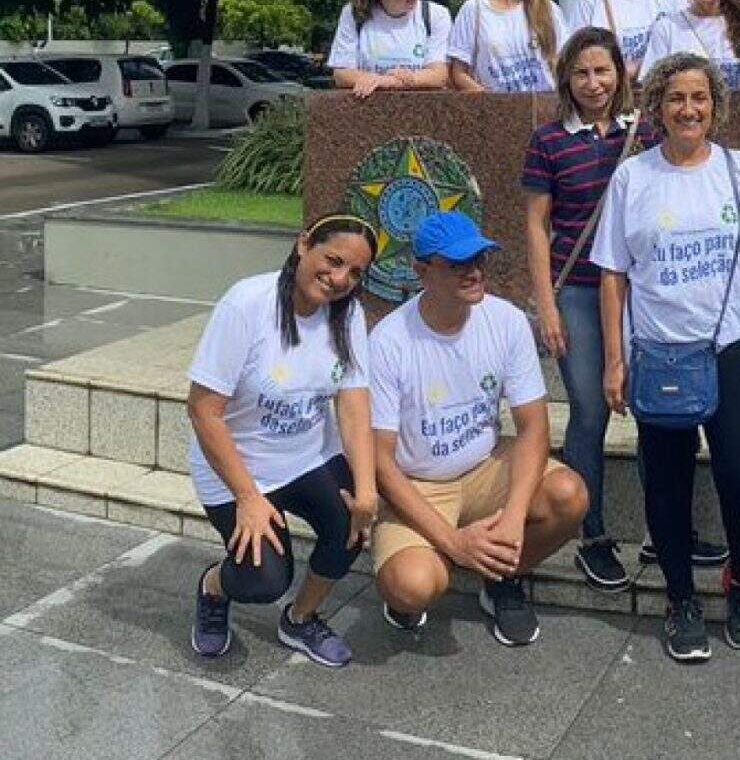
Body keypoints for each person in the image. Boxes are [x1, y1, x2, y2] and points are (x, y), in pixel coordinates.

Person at [594, 52, 740, 663]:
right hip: (659, 353)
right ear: (656, 106)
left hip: (729, 347)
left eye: (700, 98)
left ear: (715, 105)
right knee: (667, 484)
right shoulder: (634, 177)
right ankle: (681, 598)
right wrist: (614, 358)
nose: (689, 109)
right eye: (677, 98)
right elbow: (613, 275)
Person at [368, 213, 592, 645]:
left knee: (570, 495)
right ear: (422, 272)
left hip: (486, 464)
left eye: (479, 259)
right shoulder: (390, 342)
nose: (474, 272)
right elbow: (381, 462)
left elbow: (532, 428)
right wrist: (452, 543)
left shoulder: (505, 321)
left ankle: (500, 577)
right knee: (412, 586)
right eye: (457, 264)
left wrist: (511, 520)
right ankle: (433, 565)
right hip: (419, 480)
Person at [184, 215, 381, 667]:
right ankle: (214, 588)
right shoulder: (246, 305)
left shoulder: (347, 313)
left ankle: (301, 619)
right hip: (237, 469)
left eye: (355, 273)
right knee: (262, 581)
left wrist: (367, 489)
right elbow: (203, 411)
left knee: (351, 524)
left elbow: (353, 405)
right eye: (333, 261)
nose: (339, 280)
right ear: (303, 244)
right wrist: (248, 496)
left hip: (307, 455)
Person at [523, 28, 680, 593]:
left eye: (604, 71)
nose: (594, 83)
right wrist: (547, 305)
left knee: (655, 409)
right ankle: (590, 534)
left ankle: (665, 532)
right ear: (567, 77)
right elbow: (537, 227)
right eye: (582, 72)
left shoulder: (644, 136)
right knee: (590, 410)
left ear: (621, 75)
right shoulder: (548, 141)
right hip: (579, 290)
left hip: (643, 291)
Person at [329, 0, 452, 95]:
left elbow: (439, 75)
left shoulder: (436, 14)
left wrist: (397, 81)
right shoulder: (354, 13)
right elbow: (341, 73)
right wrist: (377, 80)